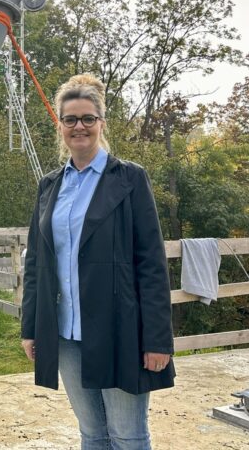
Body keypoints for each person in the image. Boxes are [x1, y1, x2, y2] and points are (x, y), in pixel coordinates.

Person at [20, 73, 174, 450]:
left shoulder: (130, 179)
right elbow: (37, 262)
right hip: (66, 334)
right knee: (92, 434)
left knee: (127, 435)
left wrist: (157, 339)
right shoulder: (49, 186)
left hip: (119, 329)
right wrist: (31, 327)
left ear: (101, 123)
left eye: (88, 118)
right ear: (60, 126)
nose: (80, 127)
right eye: (71, 119)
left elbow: (151, 263)